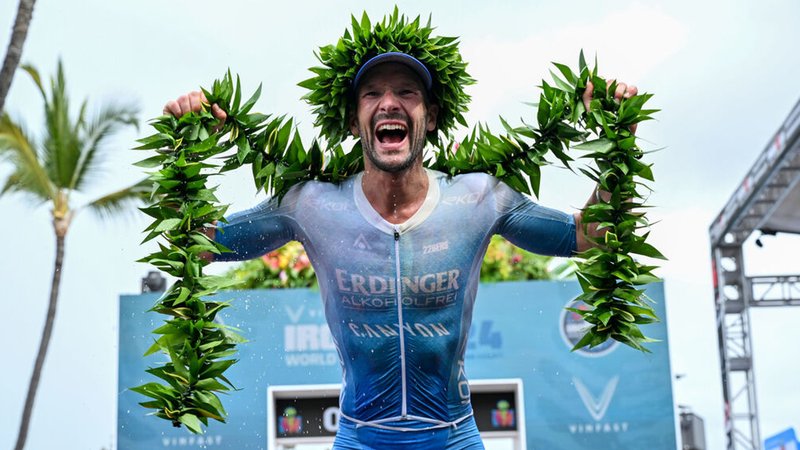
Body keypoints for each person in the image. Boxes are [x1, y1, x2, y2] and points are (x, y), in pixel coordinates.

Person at [164, 46, 637, 450]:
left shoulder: (478, 198)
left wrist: (620, 146)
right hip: (359, 437)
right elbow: (199, 244)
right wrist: (180, 150)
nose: (389, 103)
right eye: (373, 93)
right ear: (354, 120)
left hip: (454, 435)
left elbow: (589, 235)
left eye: (406, 92)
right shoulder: (310, 205)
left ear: (429, 118)